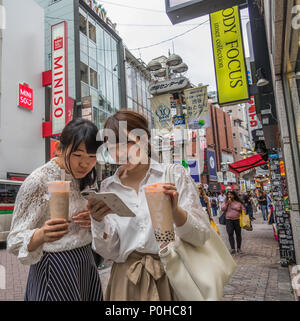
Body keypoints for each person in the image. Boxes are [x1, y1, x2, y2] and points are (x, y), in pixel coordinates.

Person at [88, 110, 211, 301]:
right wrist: (97, 222)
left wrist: (176, 212)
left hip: (171, 276)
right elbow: (110, 251)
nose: (119, 153)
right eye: (112, 146)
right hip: (125, 281)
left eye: (127, 143)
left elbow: (202, 235)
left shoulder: (173, 175)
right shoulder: (108, 187)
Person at [7, 118, 103, 301]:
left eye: (92, 157)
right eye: (78, 155)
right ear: (59, 148)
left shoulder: (84, 178)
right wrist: (41, 235)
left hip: (85, 261)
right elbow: (13, 240)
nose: (85, 164)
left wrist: (93, 220)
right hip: (54, 266)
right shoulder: (38, 181)